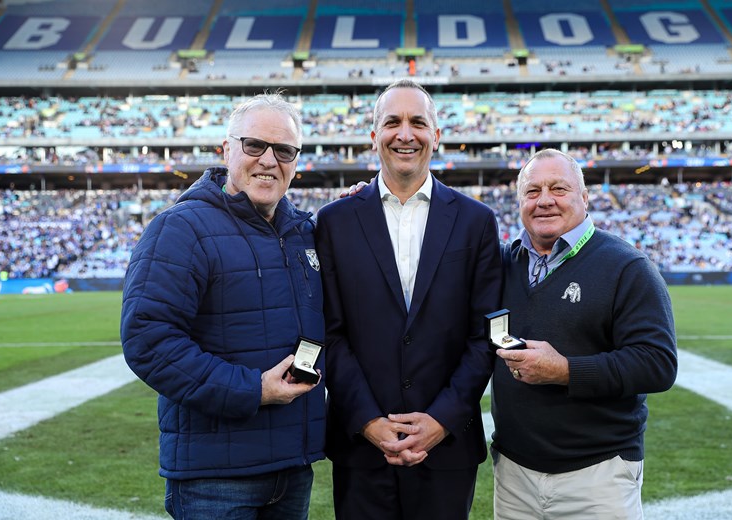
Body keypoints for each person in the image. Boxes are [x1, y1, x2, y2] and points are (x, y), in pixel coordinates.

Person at [120, 92, 325, 520]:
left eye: (284, 150)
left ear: (297, 160)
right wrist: (252, 390)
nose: (269, 160)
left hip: (292, 465)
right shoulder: (180, 227)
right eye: (254, 145)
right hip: (214, 477)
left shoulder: (304, 232)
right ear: (226, 149)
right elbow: (147, 341)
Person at [315, 79, 502, 520]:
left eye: (418, 122)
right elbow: (330, 332)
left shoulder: (477, 221)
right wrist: (368, 421)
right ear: (373, 136)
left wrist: (440, 420)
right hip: (362, 449)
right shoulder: (333, 221)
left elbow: (486, 335)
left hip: (447, 445)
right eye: (392, 122)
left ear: (436, 135)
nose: (405, 134)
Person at [492, 148, 678, 519]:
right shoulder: (500, 263)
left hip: (598, 475)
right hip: (514, 474)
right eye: (532, 192)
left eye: (558, 188)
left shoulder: (627, 266)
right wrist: (369, 202)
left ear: (584, 196)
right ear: (519, 202)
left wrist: (565, 370)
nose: (545, 200)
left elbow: (658, 363)